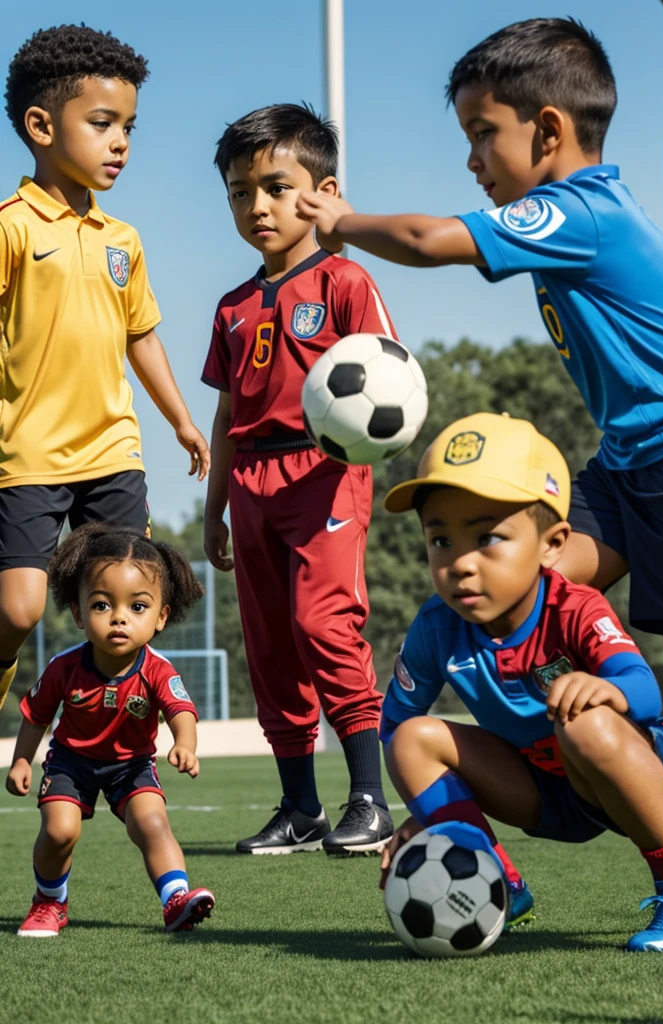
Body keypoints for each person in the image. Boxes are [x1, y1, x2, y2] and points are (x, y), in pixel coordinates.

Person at [296, 17, 663, 692]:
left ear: (551, 131)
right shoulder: (569, 217)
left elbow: (425, 240)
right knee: (514, 587)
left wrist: (340, 224)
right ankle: (545, 743)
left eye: (483, 133)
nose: (472, 159)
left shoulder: (582, 209)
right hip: (625, 467)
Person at [377, 412, 663, 952]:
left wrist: (607, 689)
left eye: (488, 536)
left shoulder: (574, 605)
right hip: (546, 793)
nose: (461, 563)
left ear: (552, 544)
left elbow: (646, 691)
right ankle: (498, 883)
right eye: (440, 539)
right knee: (410, 739)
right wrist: (434, 819)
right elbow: (396, 722)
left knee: (586, 726)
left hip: (638, 771)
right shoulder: (436, 627)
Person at [202, 103, 396, 855]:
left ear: (322, 190)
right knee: (271, 644)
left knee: (324, 625)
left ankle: (371, 801)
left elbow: (390, 380)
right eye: (239, 192)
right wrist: (215, 509)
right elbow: (224, 418)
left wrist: (358, 460)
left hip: (326, 471)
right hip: (249, 481)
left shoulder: (347, 281)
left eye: (277, 188)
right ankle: (299, 809)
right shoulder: (231, 306)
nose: (258, 207)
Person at [0, 25, 210, 712]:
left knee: (136, 600)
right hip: (27, 455)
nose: (121, 141)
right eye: (102, 123)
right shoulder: (11, 227)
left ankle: (119, 755)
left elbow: (140, 335)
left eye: (129, 126)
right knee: (21, 611)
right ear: (40, 125)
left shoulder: (124, 240)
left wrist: (181, 420)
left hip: (113, 449)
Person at [5, 523, 215, 935]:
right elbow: (36, 716)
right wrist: (21, 762)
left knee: (152, 823)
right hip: (70, 764)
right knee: (58, 831)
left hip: (131, 765)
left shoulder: (157, 669)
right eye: (102, 606)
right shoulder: (64, 667)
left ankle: (175, 900)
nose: (119, 618)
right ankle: (49, 902)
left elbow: (180, 711)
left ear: (161, 617)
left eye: (137, 607)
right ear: (80, 614)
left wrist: (185, 745)